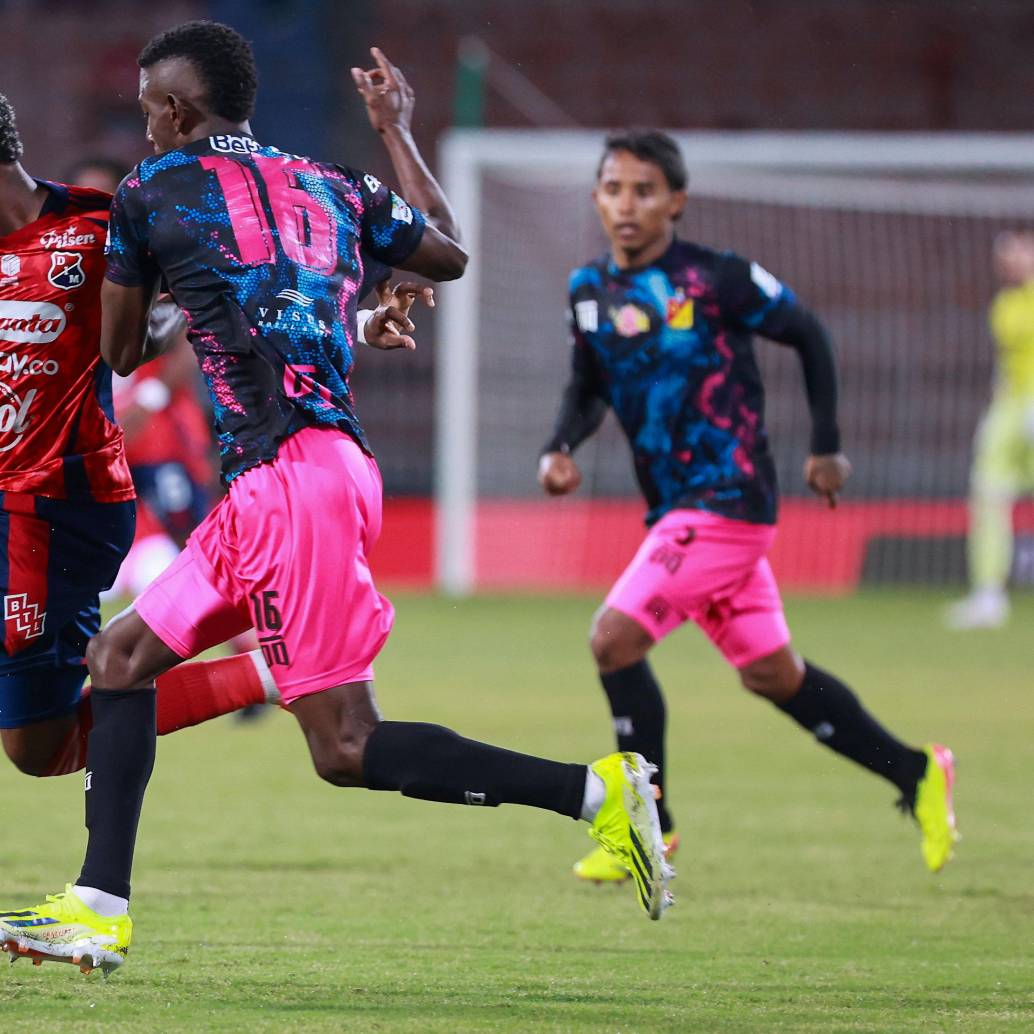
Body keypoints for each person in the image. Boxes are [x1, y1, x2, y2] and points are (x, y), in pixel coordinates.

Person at [0, 25, 670, 977]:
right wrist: (396, 133)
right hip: (290, 476)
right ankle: (98, 908)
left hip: (292, 485)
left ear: (179, 109)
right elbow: (445, 255)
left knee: (346, 748)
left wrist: (148, 294)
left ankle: (597, 793)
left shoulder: (151, 191)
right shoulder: (329, 183)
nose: (144, 125)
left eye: (151, 107)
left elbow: (115, 354)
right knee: (119, 659)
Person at [537, 129, 958, 886]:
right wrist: (560, 444)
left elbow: (809, 334)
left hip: (729, 500)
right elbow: (589, 383)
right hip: (676, 508)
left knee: (613, 641)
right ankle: (917, 773)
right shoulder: (588, 290)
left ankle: (649, 827)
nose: (626, 205)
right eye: (612, 189)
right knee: (773, 675)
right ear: (597, 197)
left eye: (643, 190)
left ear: (676, 202)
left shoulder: (716, 279)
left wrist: (826, 445)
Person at [946, 231, 1034, 629]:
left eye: (1017, 252)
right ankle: (988, 595)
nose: (1009, 261)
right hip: (1009, 409)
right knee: (987, 496)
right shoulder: (1004, 304)